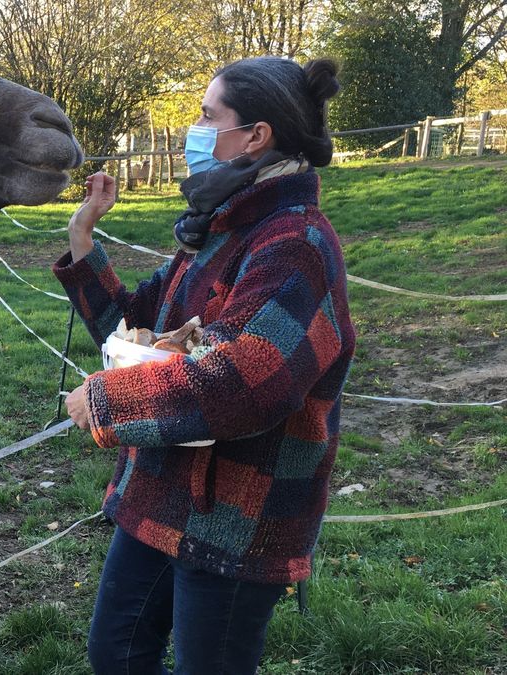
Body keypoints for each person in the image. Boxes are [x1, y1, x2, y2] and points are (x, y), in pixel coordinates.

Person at [53, 57, 356, 673]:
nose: (194, 128)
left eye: (206, 116)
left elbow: (249, 384)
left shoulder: (293, 245)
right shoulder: (217, 232)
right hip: (162, 492)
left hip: (240, 519)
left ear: (255, 136)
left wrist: (109, 400)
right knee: (117, 652)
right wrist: (84, 240)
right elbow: (133, 323)